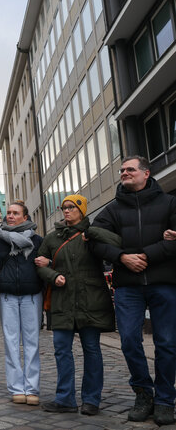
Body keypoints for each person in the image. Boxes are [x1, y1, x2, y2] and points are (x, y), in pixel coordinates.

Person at [91, 155, 176, 426]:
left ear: (146, 173)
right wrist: (122, 257)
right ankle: (143, 394)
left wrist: (146, 255)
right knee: (128, 340)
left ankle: (165, 400)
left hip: (164, 283)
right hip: (128, 286)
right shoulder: (112, 210)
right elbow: (93, 240)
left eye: (130, 169)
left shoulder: (170, 203)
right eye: (122, 170)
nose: (124, 173)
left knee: (166, 344)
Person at [35, 195, 120, 416]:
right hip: (62, 302)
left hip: (90, 300)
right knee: (62, 350)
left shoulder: (92, 235)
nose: (66, 211)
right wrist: (53, 275)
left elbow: (117, 242)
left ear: (82, 210)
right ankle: (65, 399)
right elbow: (39, 263)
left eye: (71, 207)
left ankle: (91, 399)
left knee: (91, 349)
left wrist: (90, 233)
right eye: (64, 208)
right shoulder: (52, 238)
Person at [0, 201, 43, 405]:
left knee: (32, 342)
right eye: (8, 213)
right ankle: (16, 388)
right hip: (7, 296)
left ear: (25, 217)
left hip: (32, 295)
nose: (10, 216)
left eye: (15, 213)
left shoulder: (37, 241)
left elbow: (49, 261)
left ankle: (32, 388)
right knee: (11, 343)